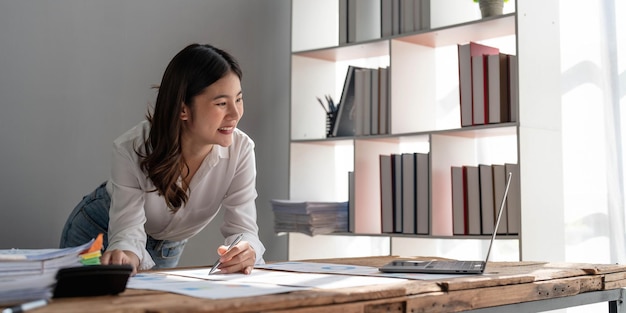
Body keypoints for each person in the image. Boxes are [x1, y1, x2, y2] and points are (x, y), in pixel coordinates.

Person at [59, 43, 265, 275]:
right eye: (221, 103)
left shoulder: (242, 150)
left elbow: (244, 229)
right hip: (100, 231)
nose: (236, 114)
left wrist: (245, 250)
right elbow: (126, 232)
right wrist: (124, 253)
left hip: (168, 246)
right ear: (183, 109)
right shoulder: (131, 148)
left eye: (238, 99)